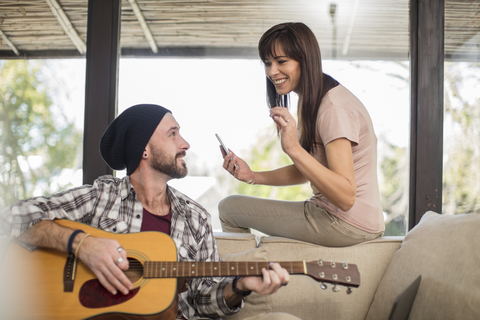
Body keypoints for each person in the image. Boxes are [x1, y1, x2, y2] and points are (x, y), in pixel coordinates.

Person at [0, 104, 299, 320]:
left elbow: (204, 299)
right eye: (173, 134)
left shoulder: (196, 218)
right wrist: (82, 244)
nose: (185, 144)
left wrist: (241, 285)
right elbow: (12, 218)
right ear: (144, 150)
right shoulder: (101, 196)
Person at [218, 22, 385, 247]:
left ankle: (239, 281)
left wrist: (294, 148)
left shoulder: (333, 108)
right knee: (231, 206)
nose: (271, 72)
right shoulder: (314, 101)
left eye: (281, 61)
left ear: (305, 60)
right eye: (267, 63)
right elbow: (309, 172)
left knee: (230, 209)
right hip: (346, 219)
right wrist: (253, 176)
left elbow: (346, 197)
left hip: (345, 222)